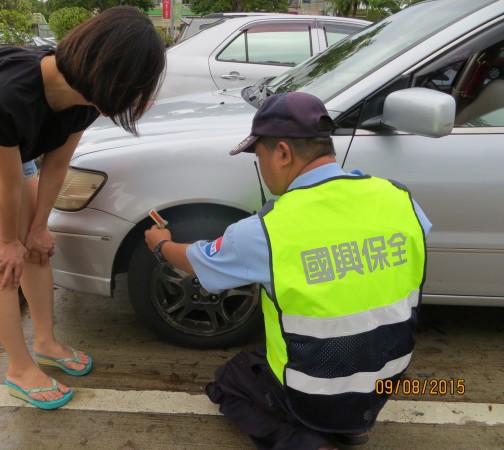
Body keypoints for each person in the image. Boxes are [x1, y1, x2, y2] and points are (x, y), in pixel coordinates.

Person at [0, 7, 166, 410]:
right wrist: (9, 240)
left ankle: (45, 342)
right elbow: (8, 183)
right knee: (1, 262)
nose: (141, 98)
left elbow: (57, 164)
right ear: (111, 74)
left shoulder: (85, 99)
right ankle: (19, 368)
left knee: (38, 248)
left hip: (11, 146)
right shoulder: (6, 94)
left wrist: (37, 228)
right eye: (139, 86)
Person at [144, 92, 431, 449]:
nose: (260, 167)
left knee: (230, 380)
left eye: (258, 155)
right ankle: (354, 426)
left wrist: (160, 243)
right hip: (386, 379)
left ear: (282, 152)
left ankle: (306, 441)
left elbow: (197, 263)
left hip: (312, 391)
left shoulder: (267, 230)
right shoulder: (400, 199)